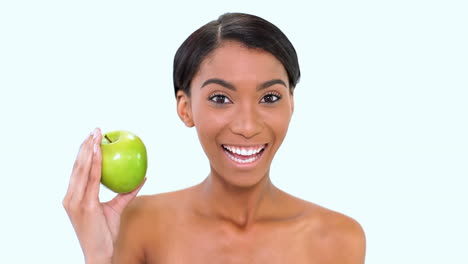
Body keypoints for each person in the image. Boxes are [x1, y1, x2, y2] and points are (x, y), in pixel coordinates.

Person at [63, 12, 366, 263]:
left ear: (291, 103)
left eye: (270, 97)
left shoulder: (339, 239)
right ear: (185, 108)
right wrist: (100, 254)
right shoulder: (138, 225)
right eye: (221, 99)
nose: (247, 126)